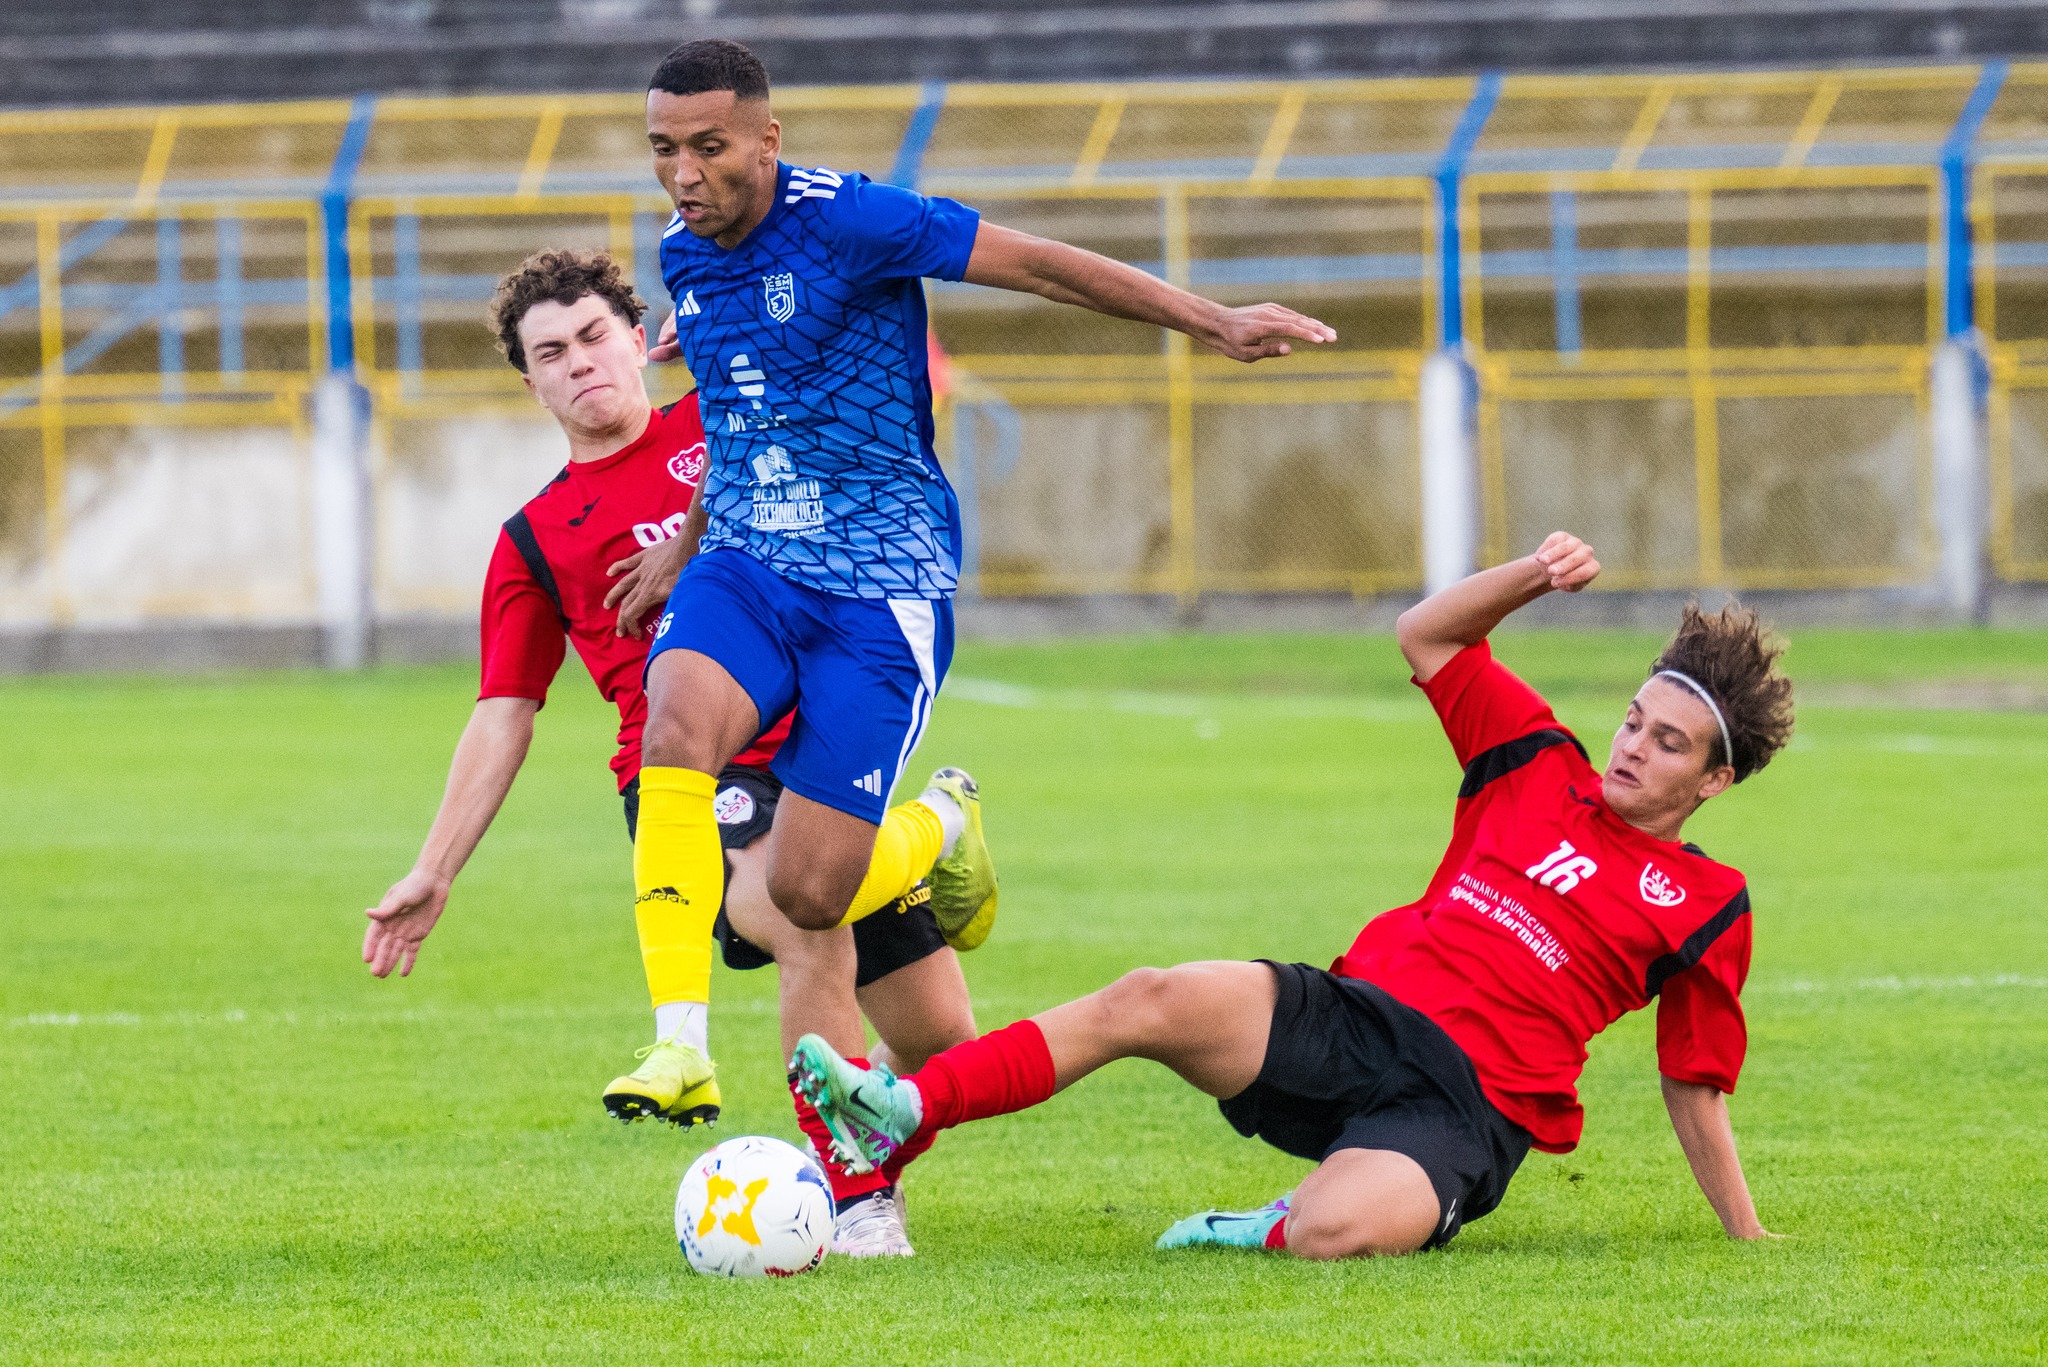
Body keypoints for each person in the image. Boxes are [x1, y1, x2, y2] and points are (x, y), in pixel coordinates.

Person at [612, 38, 1337, 1129]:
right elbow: (738, 402)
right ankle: (678, 1046)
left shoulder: (855, 219)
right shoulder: (686, 250)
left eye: (708, 148)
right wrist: (686, 542)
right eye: (663, 150)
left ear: (768, 138)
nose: (683, 174)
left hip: (877, 585)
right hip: (750, 566)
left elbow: (1041, 262)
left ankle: (939, 824)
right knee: (671, 732)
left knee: (812, 892)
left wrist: (1213, 322)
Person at [791, 532, 1798, 1258]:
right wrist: (1531, 574)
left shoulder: (1707, 901)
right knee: (1148, 994)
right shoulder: (1536, 758)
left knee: (1334, 1230)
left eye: (1665, 741)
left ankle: (1270, 1219)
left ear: (1712, 780)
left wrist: (1743, 1231)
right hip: (1356, 1013)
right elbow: (1428, 635)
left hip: (1471, 1102)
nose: (1630, 743)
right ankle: (903, 1110)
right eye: (1632, 718)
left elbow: (1692, 1079)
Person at [358, 248, 992, 1253]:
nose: (579, 364)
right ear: (529, 381)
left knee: (948, 1047)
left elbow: (844, 394)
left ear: (639, 338)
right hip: (692, 777)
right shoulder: (534, 537)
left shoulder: (730, 422)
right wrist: (433, 869)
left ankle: (929, 831)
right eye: (551, 352)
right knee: (794, 914)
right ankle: (855, 1194)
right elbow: (504, 712)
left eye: (595, 336)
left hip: (822, 749)